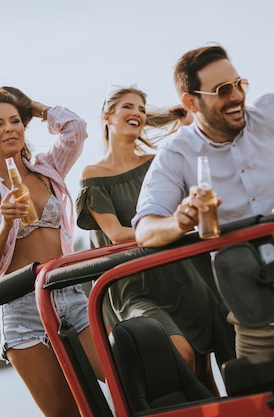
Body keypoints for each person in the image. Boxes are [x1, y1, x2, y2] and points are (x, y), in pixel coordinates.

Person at [133, 44, 274, 377]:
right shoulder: (176, 155)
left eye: (239, 84)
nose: (236, 95)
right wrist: (179, 221)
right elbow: (145, 229)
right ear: (190, 102)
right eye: (223, 90)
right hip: (251, 318)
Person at [0, 86, 104, 417]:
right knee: (63, 413)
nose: (9, 128)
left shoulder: (47, 169)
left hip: (68, 294)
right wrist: (6, 225)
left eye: (15, 121)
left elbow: (76, 129)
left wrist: (34, 107)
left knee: (122, 378)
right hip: (22, 310)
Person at [75, 85, 220, 392]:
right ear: (107, 117)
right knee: (182, 356)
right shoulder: (93, 174)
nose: (138, 113)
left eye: (142, 109)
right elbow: (115, 235)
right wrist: (173, 226)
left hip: (179, 272)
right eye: (129, 107)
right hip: (134, 285)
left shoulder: (158, 162)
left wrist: (182, 121)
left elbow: (194, 169)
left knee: (204, 365)